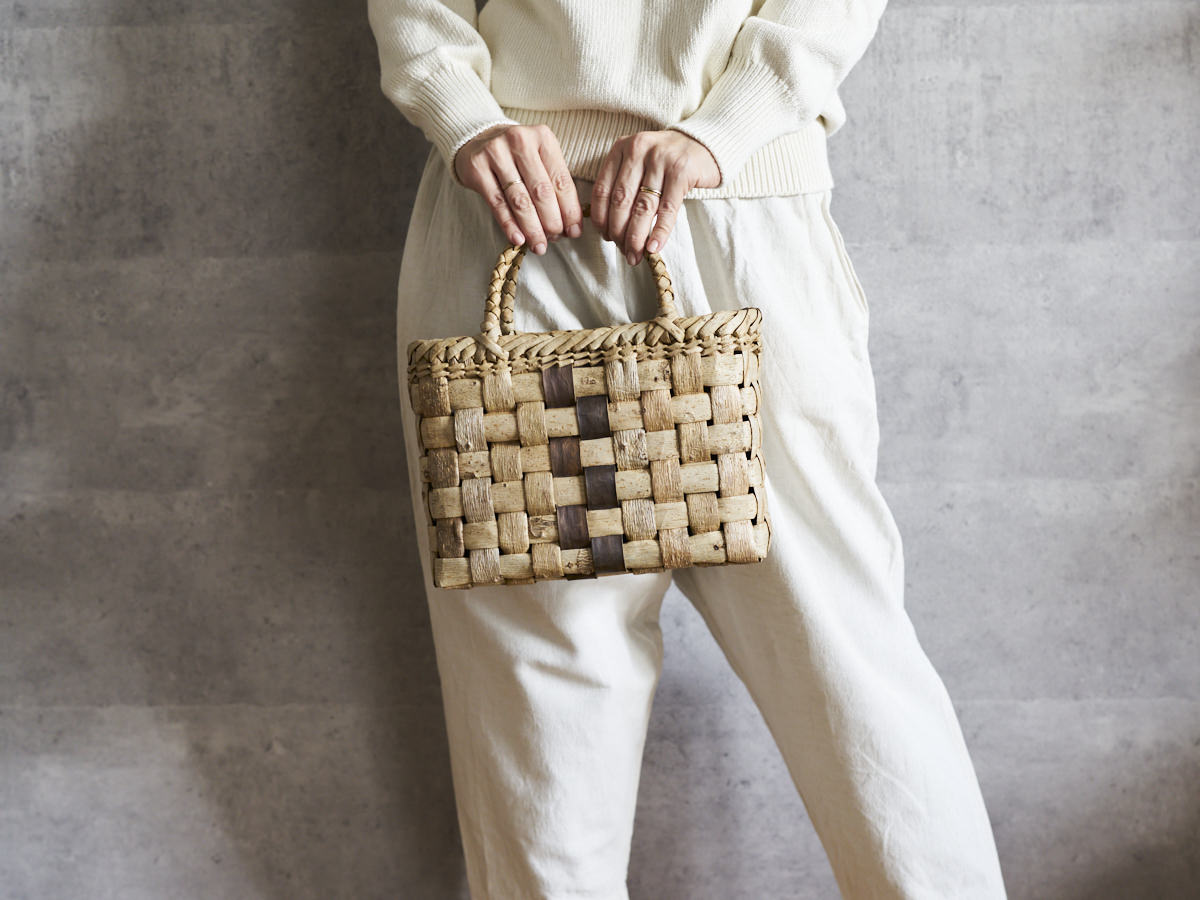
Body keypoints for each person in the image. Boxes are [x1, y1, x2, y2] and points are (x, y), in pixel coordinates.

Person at [366, 2, 1009, 897]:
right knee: (538, 723)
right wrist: (462, 114)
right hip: (511, 218)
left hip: (731, 212)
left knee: (843, 662)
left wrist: (726, 126)